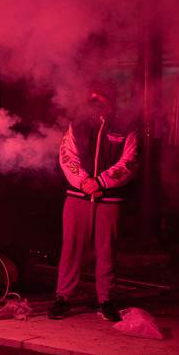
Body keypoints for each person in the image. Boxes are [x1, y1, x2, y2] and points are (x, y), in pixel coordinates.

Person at [49, 81, 138, 322]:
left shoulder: (125, 127)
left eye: (101, 96)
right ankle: (63, 297)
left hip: (109, 200)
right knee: (71, 249)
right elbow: (67, 156)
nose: (95, 101)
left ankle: (105, 300)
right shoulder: (78, 124)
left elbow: (129, 162)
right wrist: (84, 182)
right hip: (78, 197)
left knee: (106, 252)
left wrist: (101, 182)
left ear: (112, 99)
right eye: (92, 97)